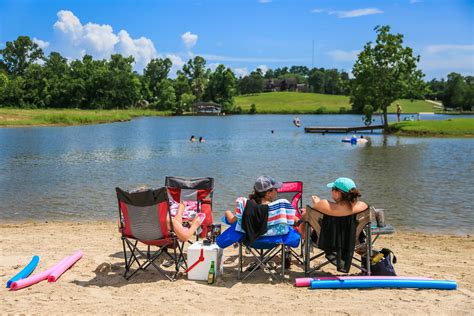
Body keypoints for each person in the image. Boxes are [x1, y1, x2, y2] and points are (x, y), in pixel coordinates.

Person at [299, 177, 368, 240]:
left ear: (337, 193)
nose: (331, 191)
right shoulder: (362, 206)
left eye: (332, 189)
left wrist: (317, 204)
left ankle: (304, 238)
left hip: (326, 242)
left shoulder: (323, 204)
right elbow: (345, 210)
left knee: (305, 220)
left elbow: (305, 216)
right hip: (352, 242)